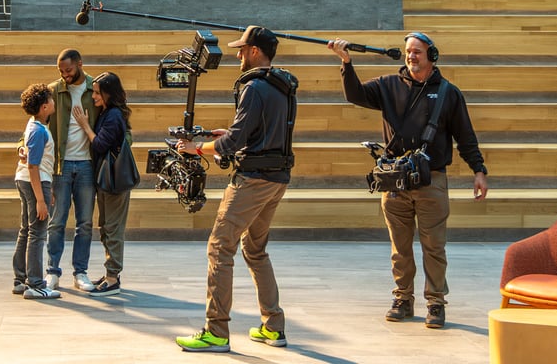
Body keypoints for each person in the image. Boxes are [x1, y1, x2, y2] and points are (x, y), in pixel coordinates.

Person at [326, 32, 489, 331]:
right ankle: (403, 298)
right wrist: (346, 64)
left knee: (434, 247)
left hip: (432, 180)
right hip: (396, 182)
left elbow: (465, 136)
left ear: (432, 55)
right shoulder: (388, 85)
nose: (411, 56)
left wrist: (479, 170)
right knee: (399, 247)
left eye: (417, 52)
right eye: (408, 51)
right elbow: (355, 95)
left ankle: (436, 302)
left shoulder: (448, 93)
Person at [174, 26, 298, 353]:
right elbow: (258, 132)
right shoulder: (282, 84)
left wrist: (197, 148)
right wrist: (226, 134)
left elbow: (233, 143)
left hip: (253, 180)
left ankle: (216, 332)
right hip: (277, 179)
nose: (238, 54)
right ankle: (273, 326)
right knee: (255, 250)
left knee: (219, 247)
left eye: (242, 49)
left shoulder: (254, 87)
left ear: (255, 51)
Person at [72, 71, 132, 296]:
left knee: (113, 229)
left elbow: (99, 145)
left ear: (108, 94)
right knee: (106, 228)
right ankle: (111, 273)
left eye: (98, 93)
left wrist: (85, 125)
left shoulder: (114, 115)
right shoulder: (108, 113)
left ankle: (113, 278)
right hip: (106, 181)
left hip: (115, 182)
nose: (94, 97)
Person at [44, 49, 99, 292]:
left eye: (68, 70)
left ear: (79, 64)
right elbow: (37, 121)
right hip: (61, 165)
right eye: (61, 71)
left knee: (85, 222)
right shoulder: (54, 90)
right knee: (57, 222)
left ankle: (81, 272)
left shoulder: (95, 88)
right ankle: (52, 271)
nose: (65, 75)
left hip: (87, 164)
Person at [13, 83, 61, 300]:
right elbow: (34, 166)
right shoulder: (40, 131)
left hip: (25, 180)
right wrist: (41, 200)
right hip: (35, 182)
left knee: (26, 230)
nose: (53, 102)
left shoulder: (32, 124)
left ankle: (20, 279)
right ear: (44, 107)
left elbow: (26, 152)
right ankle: (35, 284)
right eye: (50, 100)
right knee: (37, 233)